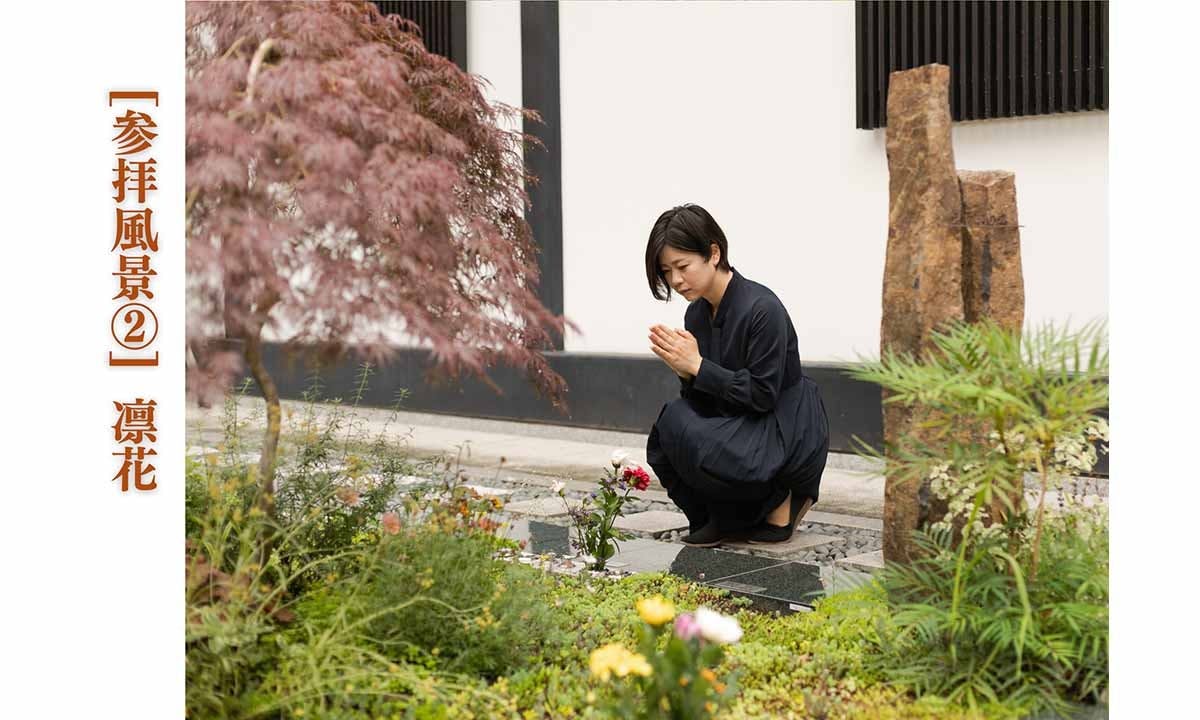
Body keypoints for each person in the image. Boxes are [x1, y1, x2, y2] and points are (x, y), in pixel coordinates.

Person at [644, 204, 830, 547]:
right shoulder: (696, 315)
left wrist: (699, 367)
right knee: (671, 425)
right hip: (734, 422)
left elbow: (762, 395)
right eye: (667, 271)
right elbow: (702, 400)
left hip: (779, 427)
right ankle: (720, 517)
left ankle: (780, 497)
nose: (675, 280)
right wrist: (687, 374)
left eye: (682, 266)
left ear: (713, 253)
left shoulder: (763, 309)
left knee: (697, 434)